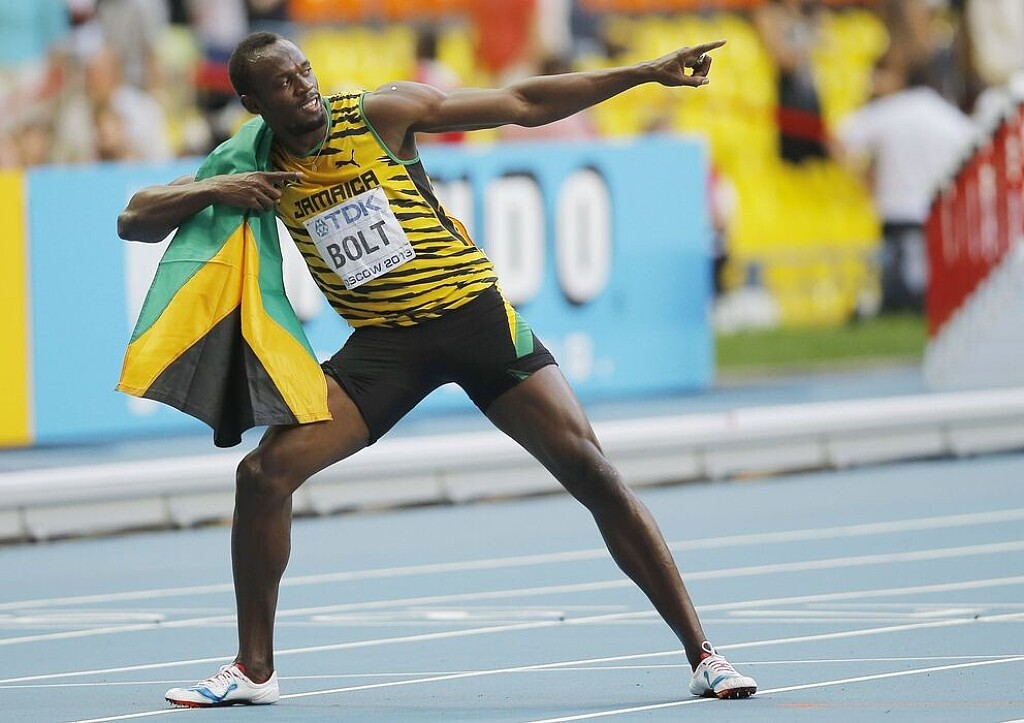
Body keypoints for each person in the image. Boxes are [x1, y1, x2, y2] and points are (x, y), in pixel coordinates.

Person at [117, 30, 757, 707]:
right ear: (252, 102)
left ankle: (703, 654)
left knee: (592, 471)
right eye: (283, 83)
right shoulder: (250, 160)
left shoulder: (381, 113)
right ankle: (254, 669)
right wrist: (219, 187)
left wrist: (645, 71)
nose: (303, 87)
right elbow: (135, 218)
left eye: (305, 71)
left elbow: (521, 103)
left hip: (472, 319)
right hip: (385, 345)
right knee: (261, 475)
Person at [832, 55, 976, 313]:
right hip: (938, 213)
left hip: (896, 212)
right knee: (932, 289)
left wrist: (864, 176)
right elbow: (974, 146)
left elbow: (839, 136)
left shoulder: (890, 111)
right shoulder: (943, 113)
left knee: (900, 293)